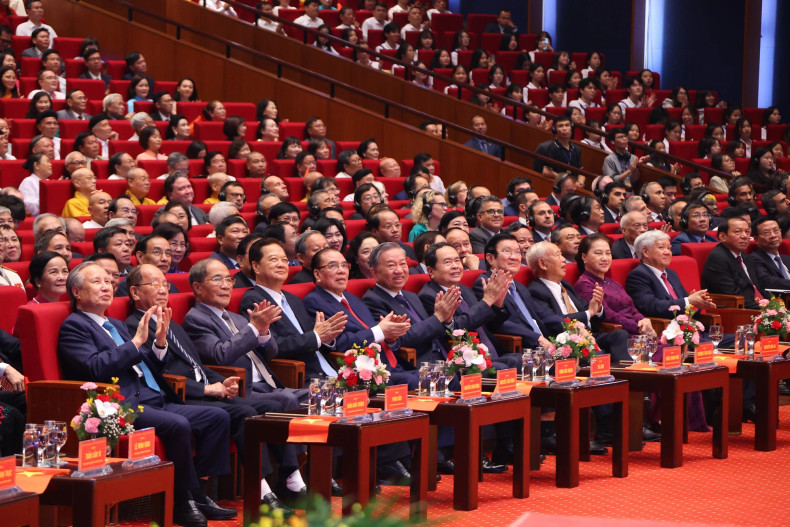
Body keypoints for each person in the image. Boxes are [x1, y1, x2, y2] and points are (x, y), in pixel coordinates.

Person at [57, 261, 234, 526]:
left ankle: (196, 492)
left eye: (108, 281)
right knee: (178, 425)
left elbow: (149, 364)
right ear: (77, 292)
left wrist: (159, 343)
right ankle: (183, 501)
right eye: (96, 282)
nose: (106, 286)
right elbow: (95, 368)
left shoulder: (114, 323)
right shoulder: (74, 327)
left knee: (217, 417)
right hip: (124, 404)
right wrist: (137, 342)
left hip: (154, 396)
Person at [183, 258, 310, 411]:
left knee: (320, 395)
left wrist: (263, 333)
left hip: (269, 384)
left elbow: (270, 354)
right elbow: (220, 355)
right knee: (286, 399)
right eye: (217, 279)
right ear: (197, 287)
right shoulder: (196, 318)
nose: (225, 286)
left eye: (229, 280)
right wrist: (254, 327)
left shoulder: (237, 318)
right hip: (242, 390)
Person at [700, 217, 766, 310]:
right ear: (723, 237)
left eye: (747, 232)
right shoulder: (718, 259)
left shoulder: (745, 256)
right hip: (737, 311)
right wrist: (766, 309)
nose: (745, 236)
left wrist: (775, 304)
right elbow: (732, 296)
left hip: (757, 306)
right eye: (738, 232)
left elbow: (757, 287)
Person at [533, 116, 584, 183]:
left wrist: (580, 183)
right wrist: (565, 180)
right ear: (555, 129)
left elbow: (581, 172)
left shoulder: (576, 149)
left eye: (567, 125)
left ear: (571, 128)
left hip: (573, 185)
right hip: (553, 183)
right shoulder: (546, 147)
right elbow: (545, 171)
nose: (564, 128)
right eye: (560, 126)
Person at [748, 217, 790, 291]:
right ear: (756, 239)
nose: (773, 235)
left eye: (776, 230)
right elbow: (767, 281)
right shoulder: (754, 259)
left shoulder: (786, 259)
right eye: (766, 232)